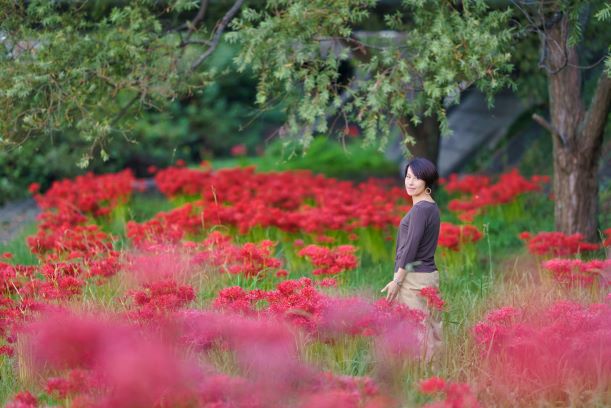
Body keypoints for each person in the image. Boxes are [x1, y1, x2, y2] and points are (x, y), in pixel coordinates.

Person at [381, 157, 442, 362]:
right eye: (408, 177)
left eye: (416, 178)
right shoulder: (431, 206)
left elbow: (410, 249)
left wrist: (397, 280)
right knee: (431, 327)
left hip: (414, 278)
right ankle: (435, 373)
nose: (410, 182)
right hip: (429, 275)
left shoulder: (419, 210)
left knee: (418, 329)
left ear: (427, 181)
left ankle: (425, 378)